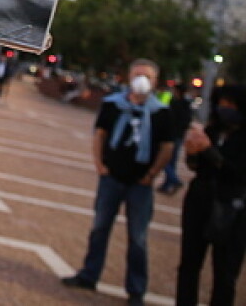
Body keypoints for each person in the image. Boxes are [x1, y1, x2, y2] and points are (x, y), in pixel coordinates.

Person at [61, 59, 175, 305]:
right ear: (129, 77)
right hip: (111, 177)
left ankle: (136, 290)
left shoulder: (161, 112)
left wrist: (152, 174)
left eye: (146, 76)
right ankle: (89, 275)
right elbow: (99, 134)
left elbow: (167, 147)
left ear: (155, 82)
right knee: (100, 228)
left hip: (140, 184)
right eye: (137, 74)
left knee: (138, 237)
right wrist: (100, 165)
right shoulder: (113, 105)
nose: (141, 80)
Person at [175, 84, 246, 306]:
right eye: (222, 104)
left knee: (225, 272)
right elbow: (197, 167)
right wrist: (192, 152)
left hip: (232, 208)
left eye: (231, 105)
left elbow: (237, 173)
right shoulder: (212, 130)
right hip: (200, 201)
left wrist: (207, 149)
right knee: (189, 264)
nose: (225, 109)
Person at [159, 81, 193, 195]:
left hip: (172, 135)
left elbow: (168, 118)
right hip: (178, 136)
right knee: (171, 161)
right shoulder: (185, 104)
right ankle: (167, 184)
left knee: (164, 159)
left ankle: (174, 180)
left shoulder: (175, 103)